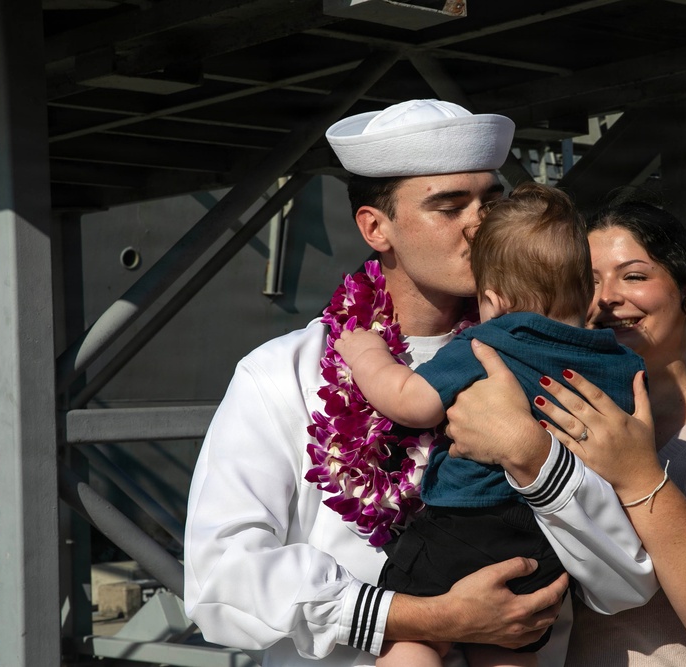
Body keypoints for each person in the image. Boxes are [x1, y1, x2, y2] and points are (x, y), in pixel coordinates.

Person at [183, 100, 661, 667]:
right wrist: (424, 617)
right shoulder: (283, 374)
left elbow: (625, 584)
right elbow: (221, 577)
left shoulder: (558, 363)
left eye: (490, 201)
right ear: (375, 227)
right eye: (449, 205)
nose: (480, 224)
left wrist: (534, 460)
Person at [444, 197, 686, 666]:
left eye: (634, 276)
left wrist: (639, 476)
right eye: (586, 281)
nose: (604, 298)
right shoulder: (551, 424)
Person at [333, 182, 654, 667]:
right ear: (587, 291)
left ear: (493, 300)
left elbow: (413, 402)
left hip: (464, 522)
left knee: (414, 642)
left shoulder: (490, 341)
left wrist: (366, 354)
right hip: (545, 539)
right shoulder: (622, 362)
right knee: (509, 645)